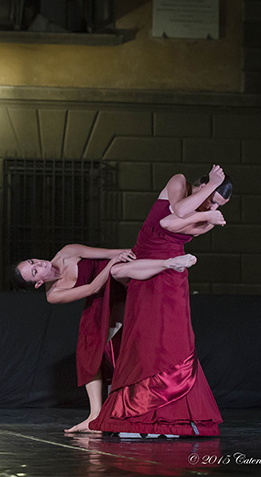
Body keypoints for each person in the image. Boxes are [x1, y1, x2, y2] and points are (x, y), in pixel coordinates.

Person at [88, 165, 232, 437]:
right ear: (202, 185)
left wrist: (210, 214)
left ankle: (168, 416)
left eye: (218, 203)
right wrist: (212, 187)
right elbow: (172, 215)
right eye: (212, 196)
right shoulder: (178, 182)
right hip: (146, 265)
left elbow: (174, 223)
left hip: (171, 272)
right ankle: (133, 413)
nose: (212, 204)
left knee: (172, 340)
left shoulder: (205, 218)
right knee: (143, 334)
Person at [14, 245, 197, 433]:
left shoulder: (66, 252)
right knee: (87, 353)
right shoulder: (53, 294)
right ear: (38, 282)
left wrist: (124, 258)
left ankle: (165, 265)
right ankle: (95, 416)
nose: (39, 264)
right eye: (35, 271)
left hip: (119, 277)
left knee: (119, 272)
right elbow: (92, 288)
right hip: (101, 295)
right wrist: (111, 264)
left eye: (33, 261)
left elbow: (112, 253)